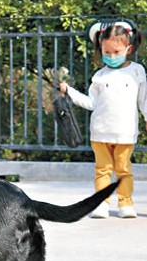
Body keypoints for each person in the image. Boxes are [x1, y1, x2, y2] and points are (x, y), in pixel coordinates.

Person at [60, 19, 147, 219]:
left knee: (124, 169)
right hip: (99, 132)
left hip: (125, 132)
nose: (111, 56)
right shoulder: (99, 75)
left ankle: (126, 203)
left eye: (116, 52)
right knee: (102, 170)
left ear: (129, 48)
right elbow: (92, 103)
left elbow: (143, 101)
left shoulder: (137, 71)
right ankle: (101, 204)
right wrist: (70, 92)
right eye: (107, 53)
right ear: (101, 49)